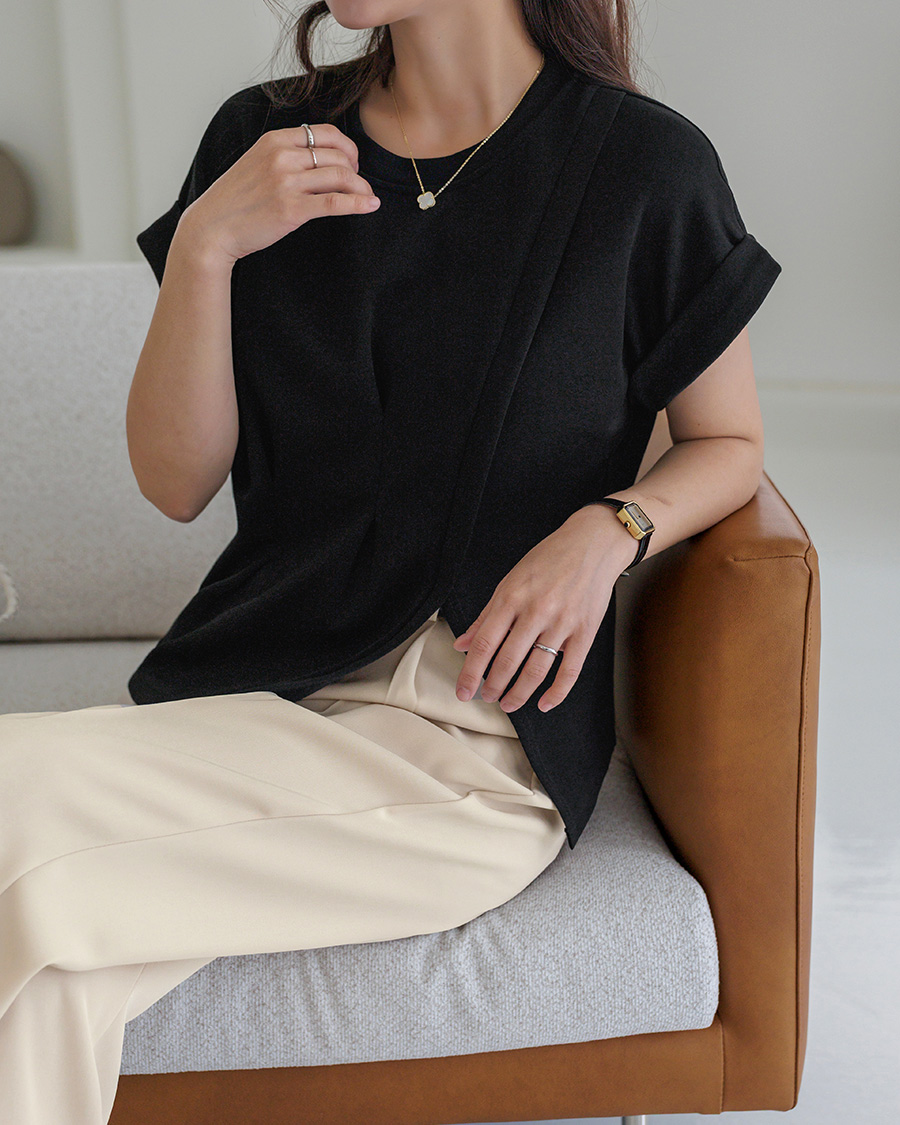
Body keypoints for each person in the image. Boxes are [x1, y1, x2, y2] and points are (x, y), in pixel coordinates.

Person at [0, 0, 781, 1121]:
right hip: (257, 695)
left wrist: (607, 531)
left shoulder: (645, 166)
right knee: (48, 980)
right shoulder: (260, 142)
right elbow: (174, 482)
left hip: (470, 751)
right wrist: (206, 247)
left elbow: (730, 444)